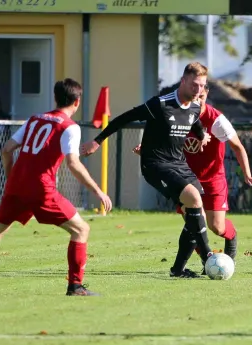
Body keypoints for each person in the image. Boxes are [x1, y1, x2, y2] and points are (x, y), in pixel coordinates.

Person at [0, 78, 112, 296]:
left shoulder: (35, 119)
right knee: (81, 230)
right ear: (77, 102)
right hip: (41, 188)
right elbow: (73, 163)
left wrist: (11, 177)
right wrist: (98, 191)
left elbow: (7, 149)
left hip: (16, 186)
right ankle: (76, 286)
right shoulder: (70, 127)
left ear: (55, 97)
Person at [82, 62, 214, 278]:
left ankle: (178, 270)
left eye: (202, 86)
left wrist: (202, 135)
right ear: (183, 81)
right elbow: (125, 118)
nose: (198, 90)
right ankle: (208, 256)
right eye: (194, 85)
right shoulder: (160, 104)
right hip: (155, 165)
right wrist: (97, 141)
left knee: (194, 215)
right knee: (194, 201)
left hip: (180, 164)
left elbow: (195, 120)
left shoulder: (196, 106)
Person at [132, 85, 252, 275]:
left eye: (201, 96)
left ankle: (231, 239)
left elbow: (238, 147)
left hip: (213, 179)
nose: (197, 100)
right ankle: (197, 265)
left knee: (217, 226)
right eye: (193, 96)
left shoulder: (216, 120)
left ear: (206, 94)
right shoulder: (177, 116)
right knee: (194, 222)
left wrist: (247, 174)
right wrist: (148, 148)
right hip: (185, 178)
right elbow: (164, 141)